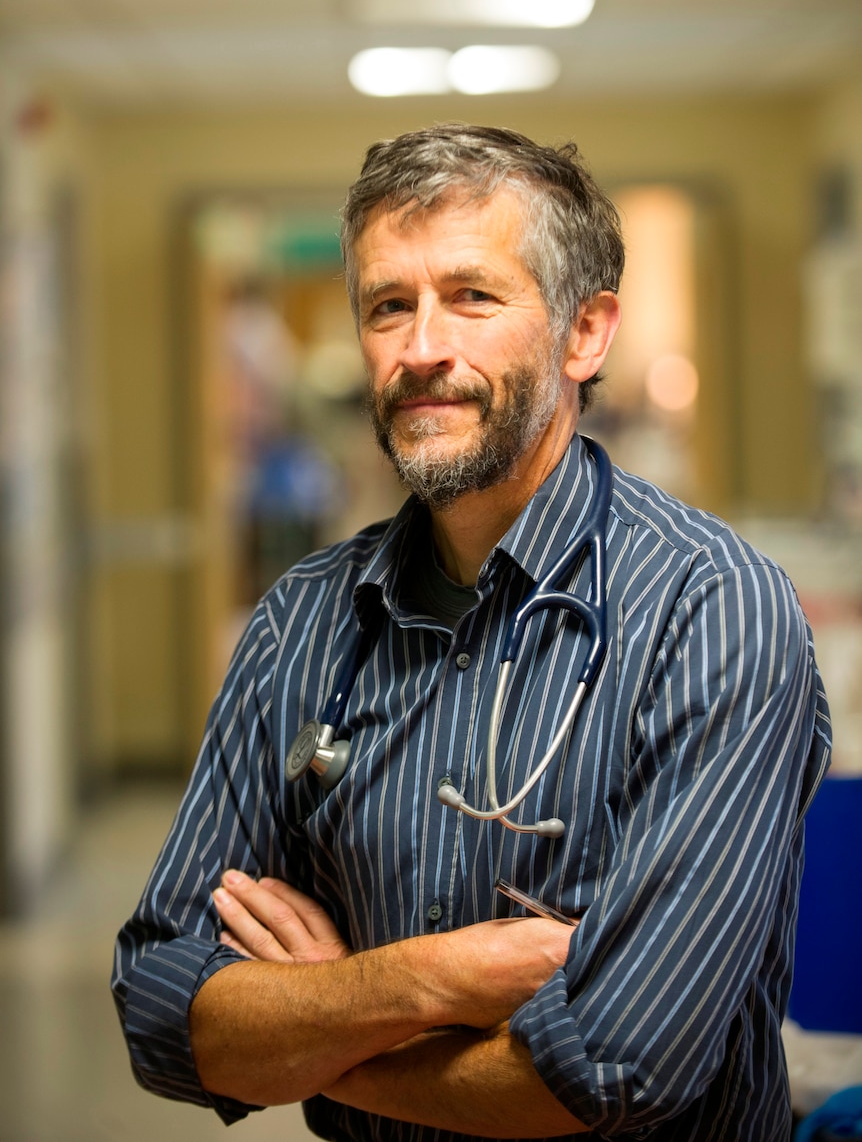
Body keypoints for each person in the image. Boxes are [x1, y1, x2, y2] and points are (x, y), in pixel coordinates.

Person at [112, 124, 832, 1141]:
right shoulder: (302, 623)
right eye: (387, 307)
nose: (421, 350)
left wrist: (321, 1022)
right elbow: (161, 1013)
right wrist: (436, 977)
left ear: (585, 334)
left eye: (473, 297)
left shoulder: (711, 613)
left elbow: (617, 1069)